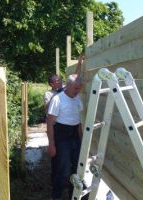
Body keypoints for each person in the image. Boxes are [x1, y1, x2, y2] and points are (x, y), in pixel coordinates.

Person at [46, 71, 84, 199]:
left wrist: (82, 141)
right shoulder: (57, 99)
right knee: (62, 170)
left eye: (79, 88)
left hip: (75, 136)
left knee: (76, 169)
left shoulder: (78, 99)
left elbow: (79, 123)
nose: (78, 91)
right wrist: (51, 144)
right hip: (61, 136)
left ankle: (73, 195)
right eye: (76, 88)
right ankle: (56, 196)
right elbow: (50, 123)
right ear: (67, 86)